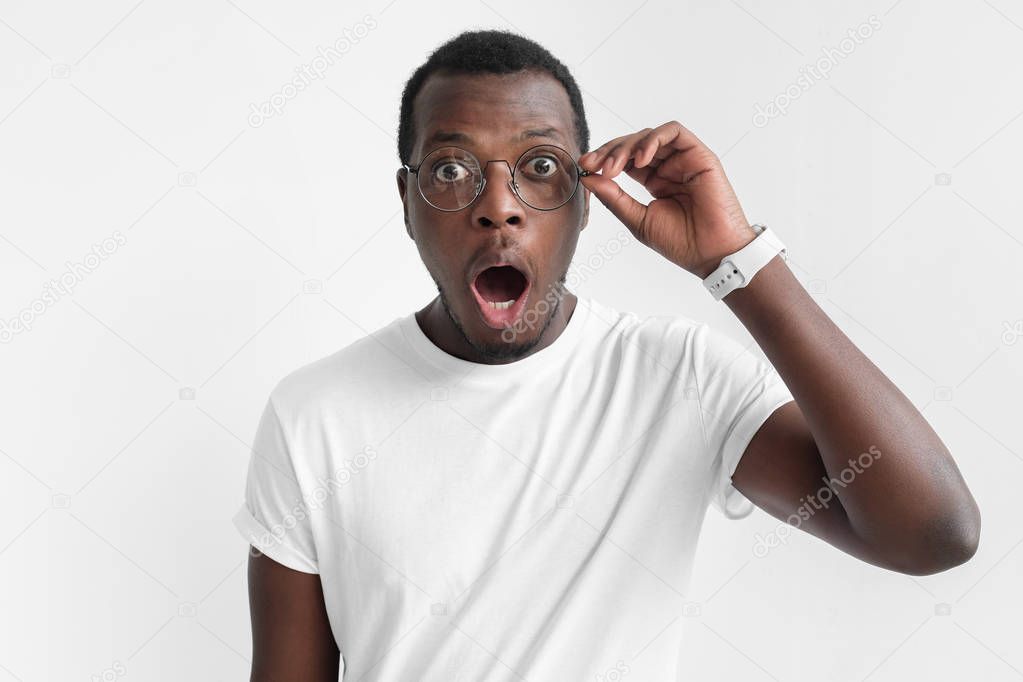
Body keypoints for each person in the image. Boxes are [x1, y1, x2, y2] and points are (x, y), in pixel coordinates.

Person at [233, 29, 980, 681]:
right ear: (405, 200)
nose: (500, 204)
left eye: (541, 166)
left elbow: (932, 534)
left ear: (587, 200)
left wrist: (736, 263)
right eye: (453, 170)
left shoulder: (675, 376)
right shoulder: (314, 414)